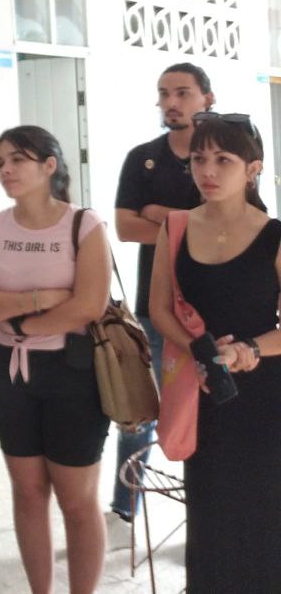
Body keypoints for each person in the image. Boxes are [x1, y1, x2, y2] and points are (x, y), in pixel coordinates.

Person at [0, 126, 110, 594]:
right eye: (0, 162)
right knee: (27, 493)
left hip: (74, 369)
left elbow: (88, 306)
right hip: (7, 370)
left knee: (76, 500)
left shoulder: (84, 225)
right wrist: (40, 297)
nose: (6, 170)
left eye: (17, 160)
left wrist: (19, 321)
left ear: (49, 166)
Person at [148, 114, 281, 593]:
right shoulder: (177, 227)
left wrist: (249, 349)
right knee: (210, 513)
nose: (208, 170)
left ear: (252, 169)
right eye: (199, 159)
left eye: (223, 159)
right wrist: (199, 349)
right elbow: (158, 308)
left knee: (266, 515)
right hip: (204, 390)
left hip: (266, 394)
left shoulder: (275, 235)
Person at [109, 62, 212, 535]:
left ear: (206, 99)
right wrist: (189, 220)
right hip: (157, 306)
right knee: (145, 408)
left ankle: (210, 503)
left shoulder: (223, 154)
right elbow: (127, 228)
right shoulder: (141, 158)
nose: (171, 102)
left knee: (210, 408)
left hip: (215, 305)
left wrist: (159, 214)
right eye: (164, 93)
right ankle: (125, 503)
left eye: (183, 93)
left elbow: (232, 222)